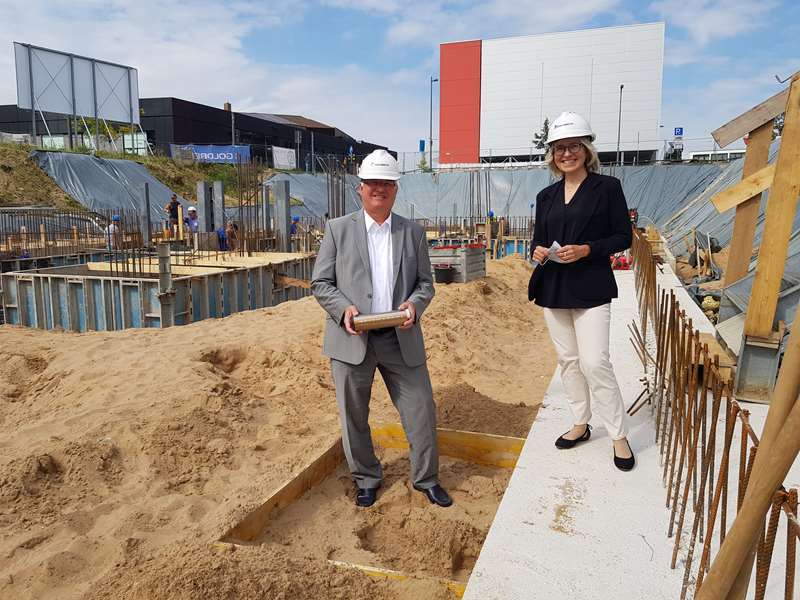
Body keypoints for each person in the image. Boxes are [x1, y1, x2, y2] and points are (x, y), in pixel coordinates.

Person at [311, 149, 451, 508]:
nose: (379, 188)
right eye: (372, 182)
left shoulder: (413, 232)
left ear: (396, 189)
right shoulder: (338, 230)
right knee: (354, 415)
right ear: (360, 187)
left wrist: (414, 305)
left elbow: (426, 284)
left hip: (399, 337)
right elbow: (321, 283)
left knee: (421, 408)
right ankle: (366, 478)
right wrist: (343, 310)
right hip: (352, 337)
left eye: (386, 183)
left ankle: (426, 478)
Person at [528, 111, 635, 471]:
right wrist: (538, 251)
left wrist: (587, 249)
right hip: (554, 286)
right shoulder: (546, 195)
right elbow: (539, 240)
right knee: (569, 361)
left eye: (573, 146)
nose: (566, 153)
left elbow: (622, 236)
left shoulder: (607, 188)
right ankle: (580, 423)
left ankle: (618, 435)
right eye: (559, 148)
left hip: (590, 286)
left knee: (594, 362)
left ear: (587, 150)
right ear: (552, 155)